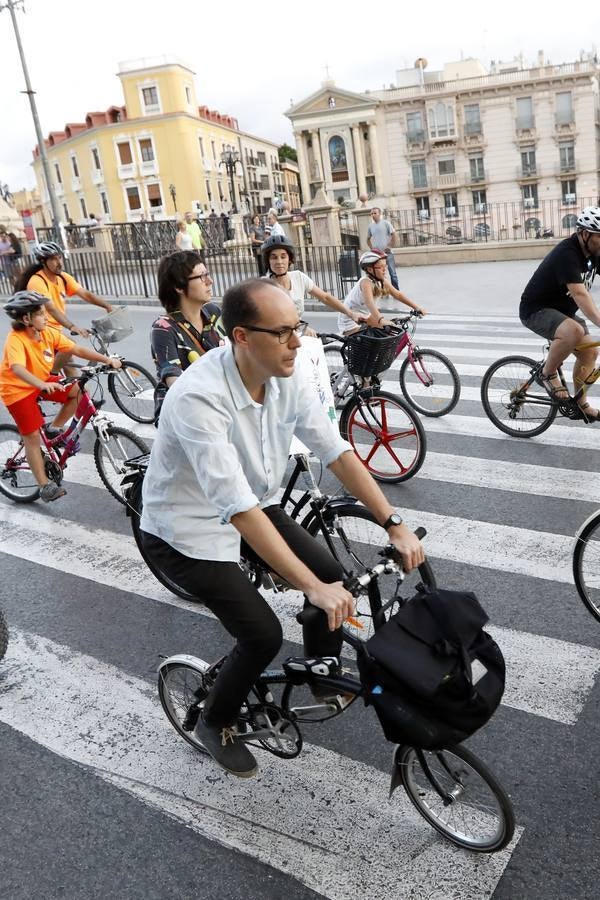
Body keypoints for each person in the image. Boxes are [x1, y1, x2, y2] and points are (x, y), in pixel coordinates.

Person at [139, 278, 424, 778]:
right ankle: (214, 720)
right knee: (262, 635)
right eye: (283, 332)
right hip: (187, 531)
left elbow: (336, 451)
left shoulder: (284, 372)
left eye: (298, 327)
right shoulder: (198, 398)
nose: (298, 342)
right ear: (242, 337)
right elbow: (238, 511)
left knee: (334, 579)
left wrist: (393, 523)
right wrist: (310, 588)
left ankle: (320, 673)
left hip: (255, 504)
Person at [0, 291, 121, 502]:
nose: (46, 317)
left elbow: (78, 350)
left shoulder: (47, 333)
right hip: (17, 390)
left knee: (77, 392)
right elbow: (18, 368)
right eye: (40, 314)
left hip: (40, 381)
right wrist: (42, 384)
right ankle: (44, 485)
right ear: (26, 319)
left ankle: (54, 428)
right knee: (32, 437)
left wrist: (106, 360)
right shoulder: (16, 339)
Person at [520, 206, 600, 419]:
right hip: (535, 309)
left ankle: (581, 403)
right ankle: (547, 373)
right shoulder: (567, 254)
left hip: (561, 312)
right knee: (573, 330)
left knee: (590, 352)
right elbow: (580, 295)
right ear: (585, 234)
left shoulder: (594, 252)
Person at [150, 250, 223, 418]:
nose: (210, 281)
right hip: (189, 417)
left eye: (208, 274)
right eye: (202, 276)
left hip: (221, 406)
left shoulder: (213, 312)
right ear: (179, 287)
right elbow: (173, 380)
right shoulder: (163, 329)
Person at [261, 233, 366, 329]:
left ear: (290, 259)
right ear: (268, 261)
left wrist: (351, 314)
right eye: (274, 258)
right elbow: (270, 318)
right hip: (276, 337)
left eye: (283, 257)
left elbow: (325, 297)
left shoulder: (298, 277)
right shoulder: (264, 286)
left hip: (297, 332)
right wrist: (300, 327)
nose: (279, 261)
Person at [337, 249, 426, 335]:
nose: (385, 269)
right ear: (370, 269)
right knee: (375, 342)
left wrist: (416, 307)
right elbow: (370, 304)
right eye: (381, 267)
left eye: (385, 266)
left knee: (391, 332)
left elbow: (398, 294)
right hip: (350, 321)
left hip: (365, 317)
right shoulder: (366, 282)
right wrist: (381, 320)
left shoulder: (381, 281)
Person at [367, 207, 399, 290]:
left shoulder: (386, 223)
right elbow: (367, 239)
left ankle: (396, 291)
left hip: (387, 253)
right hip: (377, 255)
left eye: (375, 213)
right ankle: (385, 291)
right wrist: (372, 249)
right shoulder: (370, 226)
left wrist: (389, 246)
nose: (373, 215)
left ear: (379, 214)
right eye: (371, 213)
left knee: (393, 273)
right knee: (380, 274)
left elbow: (394, 235)